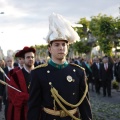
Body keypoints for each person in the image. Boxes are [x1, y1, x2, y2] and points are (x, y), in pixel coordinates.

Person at [27, 13, 92, 120]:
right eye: (56, 45)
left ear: (67, 47)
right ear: (49, 48)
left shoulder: (78, 72)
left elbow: (84, 104)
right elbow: (33, 106)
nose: (61, 48)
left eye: (63, 44)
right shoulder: (38, 73)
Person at [7, 46, 36, 120]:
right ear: (24, 59)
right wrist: (29, 97)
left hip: (37, 111)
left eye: (32, 57)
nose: (30, 59)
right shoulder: (15, 76)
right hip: (21, 113)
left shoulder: (40, 73)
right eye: (28, 57)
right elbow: (13, 95)